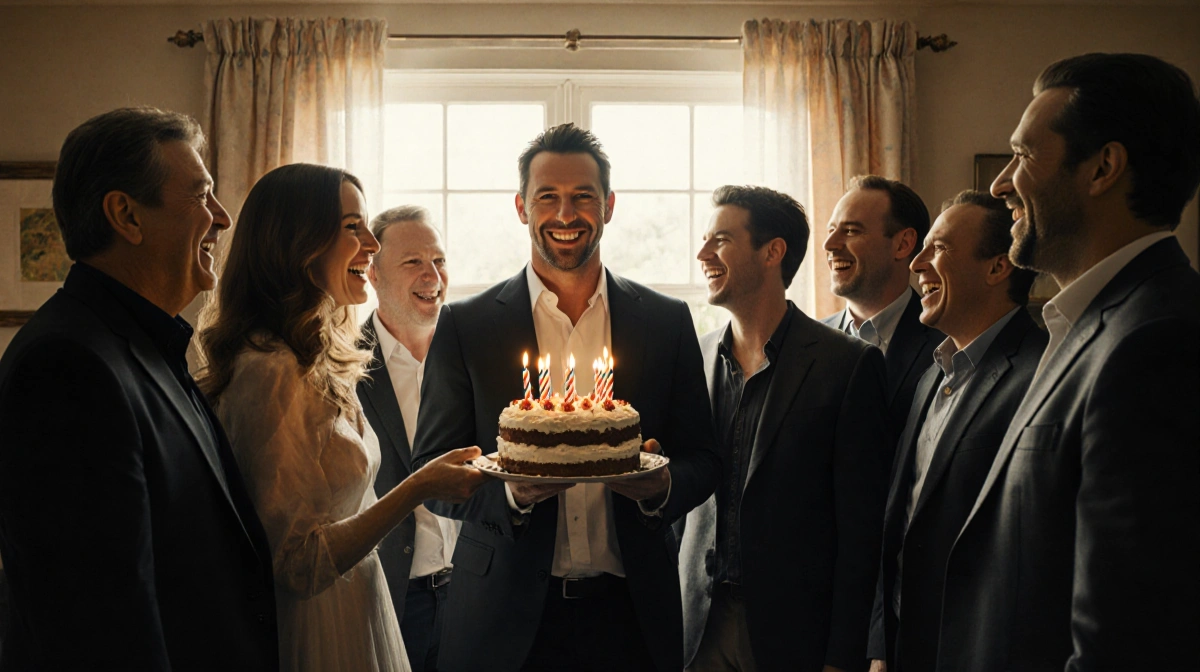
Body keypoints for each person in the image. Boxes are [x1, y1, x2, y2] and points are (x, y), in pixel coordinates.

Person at [411, 123, 721, 672]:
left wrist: (661, 486)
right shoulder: (467, 325)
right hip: (502, 619)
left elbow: (705, 458)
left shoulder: (665, 321)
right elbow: (433, 477)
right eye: (547, 197)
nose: (565, 214)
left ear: (609, 206)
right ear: (521, 206)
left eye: (583, 197)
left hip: (630, 614)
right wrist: (512, 497)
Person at [941, 53, 1200, 670]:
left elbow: (1131, 641)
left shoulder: (1158, 342)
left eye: (1024, 156)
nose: (1001, 183)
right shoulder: (1078, 324)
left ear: (1103, 168)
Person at [0, 107, 278, 670]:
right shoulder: (65, 366)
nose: (222, 218)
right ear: (126, 215)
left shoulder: (147, 342)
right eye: (201, 195)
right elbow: (98, 627)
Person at [198, 163, 488, 672]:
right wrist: (419, 487)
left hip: (364, 607)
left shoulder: (321, 355)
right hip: (318, 631)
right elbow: (296, 564)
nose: (370, 246)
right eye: (354, 228)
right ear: (299, 243)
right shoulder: (269, 370)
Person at [679, 185, 890, 672]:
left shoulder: (849, 365)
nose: (703, 254)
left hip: (795, 636)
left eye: (721, 241)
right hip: (695, 629)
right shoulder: (693, 358)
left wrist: (842, 656)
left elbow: (862, 532)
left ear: (773, 252)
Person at [867, 191, 1045, 672]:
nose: (917, 263)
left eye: (939, 248)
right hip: (906, 647)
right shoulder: (932, 375)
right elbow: (898, 519)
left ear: (997, 267)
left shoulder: (1043, 375)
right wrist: (881, 645)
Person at [357, 205, 457, 672]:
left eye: (438, 260)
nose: (432, 274)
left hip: (475, 591)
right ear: (373, 275)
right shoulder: (343, 364)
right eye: (413, 261)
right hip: (396, 594)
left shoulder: (470, 352)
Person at [821, 177, 943, 444]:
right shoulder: (808, 344)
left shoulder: (948, 346)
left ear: (902, 244)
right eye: (831, 230)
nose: (829, 245)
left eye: (851, 231)